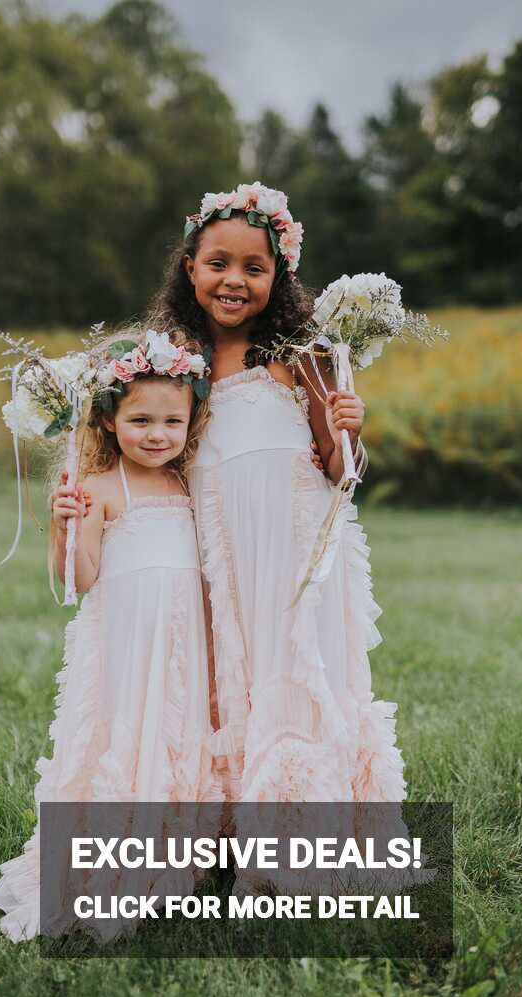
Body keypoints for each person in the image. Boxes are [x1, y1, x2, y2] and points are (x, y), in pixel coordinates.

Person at [143, 181, 407, 808]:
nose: (234, 280)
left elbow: (344, 470)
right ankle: (236, 820)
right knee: (232, 677)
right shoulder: (178, 366)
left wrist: (349, 426)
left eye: (253, 268)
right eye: (218, 264)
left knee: (293, 674)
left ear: (278, 275)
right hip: (220, 554)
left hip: (294, 557)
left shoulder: (299, 355)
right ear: (190, 270)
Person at [0, 330, 221, 942]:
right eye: (141, 419)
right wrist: (67, 529)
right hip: (126, 643)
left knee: (177, 732)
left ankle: (177, 862)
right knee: (127, 734)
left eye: (173, 420)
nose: (157, 434)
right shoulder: (96, 489)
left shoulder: (189, 485)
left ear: (191, 421)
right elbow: (81, 580)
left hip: (182, 646)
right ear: (109, 419)